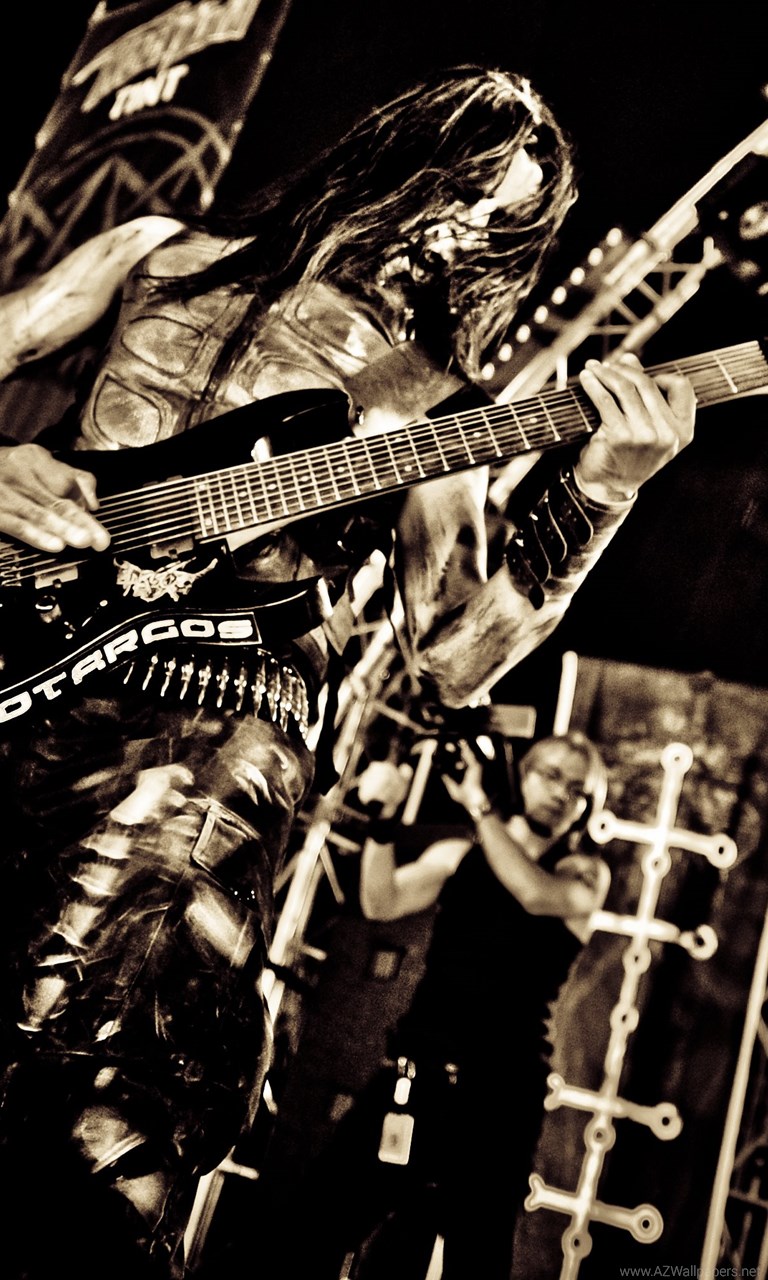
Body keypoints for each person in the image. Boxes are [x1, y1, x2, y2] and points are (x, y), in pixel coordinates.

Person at [0, 66, 694, 1278]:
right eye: (462, 189)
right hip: (32, 656)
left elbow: (458, 653)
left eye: (500, 225)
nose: (460, 233)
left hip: (220, 719)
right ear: (395, 151)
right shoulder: (156, 253)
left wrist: (599, 491)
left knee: (112, 1044)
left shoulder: (433, 408)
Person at [268, 732, 610, 1280]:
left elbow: (533, 894)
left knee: (476, 1260)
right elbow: (382, 900)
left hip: (500, 1096)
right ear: (521, 775)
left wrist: (478, 806)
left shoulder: (583, 875)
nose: (562, 794)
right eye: (552, 775)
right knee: (311, 1231)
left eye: (578, 790)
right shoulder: (460, 853)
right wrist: (383, 821)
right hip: (416, 1077)